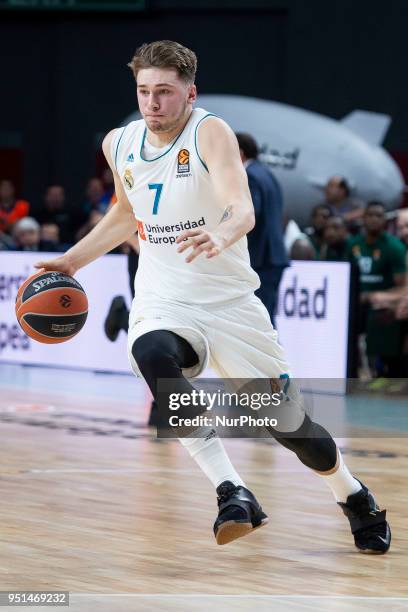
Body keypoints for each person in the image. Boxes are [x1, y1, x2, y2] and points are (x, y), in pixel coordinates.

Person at [35, 40, 390, 553]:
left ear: (189, 93)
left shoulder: (210, 132)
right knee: (153, 356)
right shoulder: (120, 142)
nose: (152, 103)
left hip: (229, 305)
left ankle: (353, 495)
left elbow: (240, 206)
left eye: (164, 92)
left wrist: (221, 236)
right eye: (143, 92)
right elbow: (123, 211)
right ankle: (232, 491)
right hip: (164, 300)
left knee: (291, 429)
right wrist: (73, 260)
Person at [235, 132, 288, 326]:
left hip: (262, 258)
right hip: (273, 256)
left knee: (260, 320)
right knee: (264, 318)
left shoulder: (250, 175)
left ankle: (271, 357)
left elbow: (250, 215)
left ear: (239, 153)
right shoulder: (267, 173)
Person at [349, 202, 407, 377]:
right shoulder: (353, 244)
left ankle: (385, 371)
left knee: (382, 311)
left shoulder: (394, 247)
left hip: (384, 302)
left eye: (378, 215)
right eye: (401, 227)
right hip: (358, 300)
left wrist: (382, 296)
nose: (404, 231)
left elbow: (403, 286)